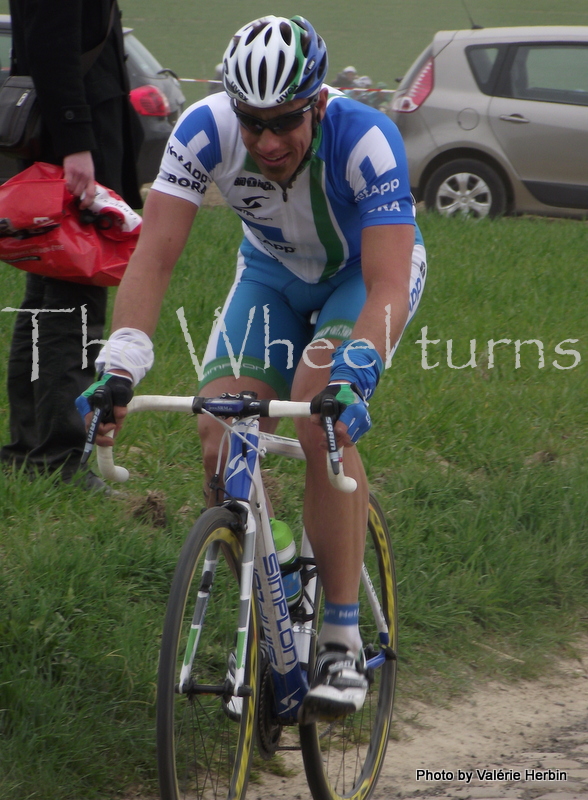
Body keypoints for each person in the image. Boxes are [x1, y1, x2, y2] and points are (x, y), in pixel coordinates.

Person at [80, 15, 427, 722]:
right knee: (219, 429)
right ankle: (284, 580)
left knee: (316, 416)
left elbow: (389, 282)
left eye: (285, 123)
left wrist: (355, 371)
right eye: (252, 122)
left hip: (362, 278)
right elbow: (154, 257)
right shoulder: (202, 132)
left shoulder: (364, 137)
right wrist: (121, 364)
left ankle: (338, 635)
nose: (267, 142)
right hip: (269, 278)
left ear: (318, 104)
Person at [0, 0, 142, 489]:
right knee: (72, 299)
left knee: (46, 299)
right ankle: (59, 456)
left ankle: (29, 447)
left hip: (75, 130)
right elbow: (49, 46)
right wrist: (75, 140)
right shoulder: (75, 139)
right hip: (78, 139)